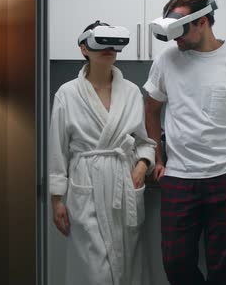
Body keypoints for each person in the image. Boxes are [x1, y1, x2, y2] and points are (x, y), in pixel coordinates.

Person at [143, 0, 226, 285]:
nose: (176, 39)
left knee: (225, 267)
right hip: (180, 178)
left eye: (180, 29)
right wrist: (158, 157)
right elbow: (151, 111)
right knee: (175, 263)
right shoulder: (166, 62)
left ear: (204, 21)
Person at [48, 20, 156, 285]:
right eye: (101, 41)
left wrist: (142, 164)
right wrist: (56, 200)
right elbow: (57, 148)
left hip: (124, 184)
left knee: (128, 265)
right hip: (87, 186)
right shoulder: (68, 94)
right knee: (95, 273)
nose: (108, 48)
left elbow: (144, 141)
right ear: (84, 48)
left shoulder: (131, 92)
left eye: (113, 42)